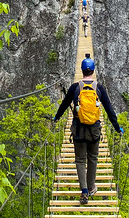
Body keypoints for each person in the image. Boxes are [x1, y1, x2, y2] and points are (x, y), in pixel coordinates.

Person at [53, 54, 123, 205]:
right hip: (94, 130)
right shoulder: (99, 88)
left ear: (82, 70)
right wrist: (117, 127)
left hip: (78, 129)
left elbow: (64, 105)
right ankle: (91, 187)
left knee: (80, 160)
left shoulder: (74, 88)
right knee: (93, 158)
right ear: (93, 71)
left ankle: (84, 191)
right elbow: (110, 110)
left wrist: (57, 117)